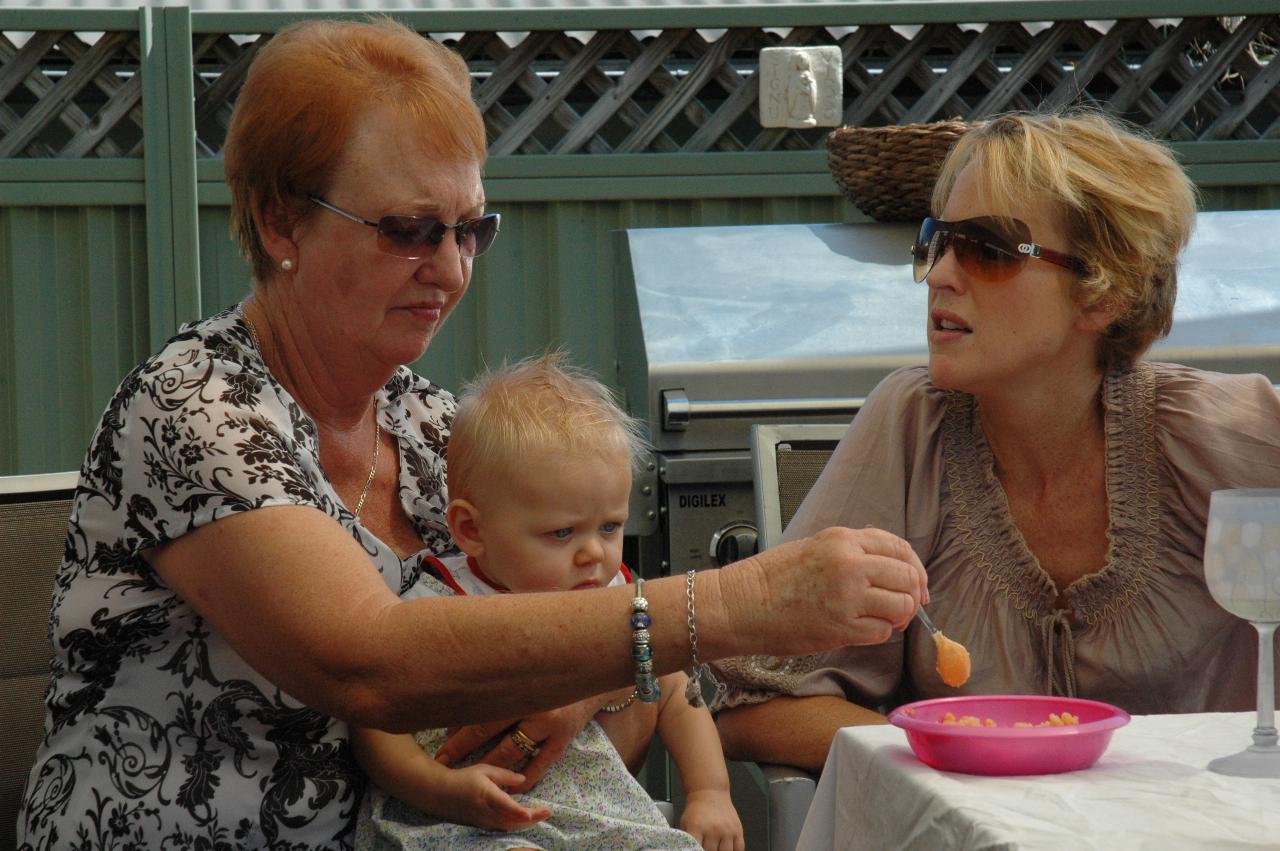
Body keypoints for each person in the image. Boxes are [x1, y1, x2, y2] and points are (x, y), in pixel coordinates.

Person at [16, 18, 927, 850]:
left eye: (470, 228)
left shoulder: (428, 425)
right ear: (278, 219)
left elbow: (553, 633)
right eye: (409, 230)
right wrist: (728, 605)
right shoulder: (194, 409)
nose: (448, 270)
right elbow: (368, 660)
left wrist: (577, 680)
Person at [712, 109, 1280, 773]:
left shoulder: (1223, 433)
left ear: (1103, 295)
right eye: (936, 241)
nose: (940, 275)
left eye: (988, 251)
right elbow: (756, 704)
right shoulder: (912, 428)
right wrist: (955, 762)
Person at [353, 353, 743, 851]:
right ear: (472, 530)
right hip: (459, 823)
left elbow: (677, 694)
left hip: (604, 824)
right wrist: (439, 788)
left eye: (610, 526)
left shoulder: (620, 598)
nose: (594, 554)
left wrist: (710, 791)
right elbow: (375, 721)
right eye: (561, 532)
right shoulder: (437, 603)